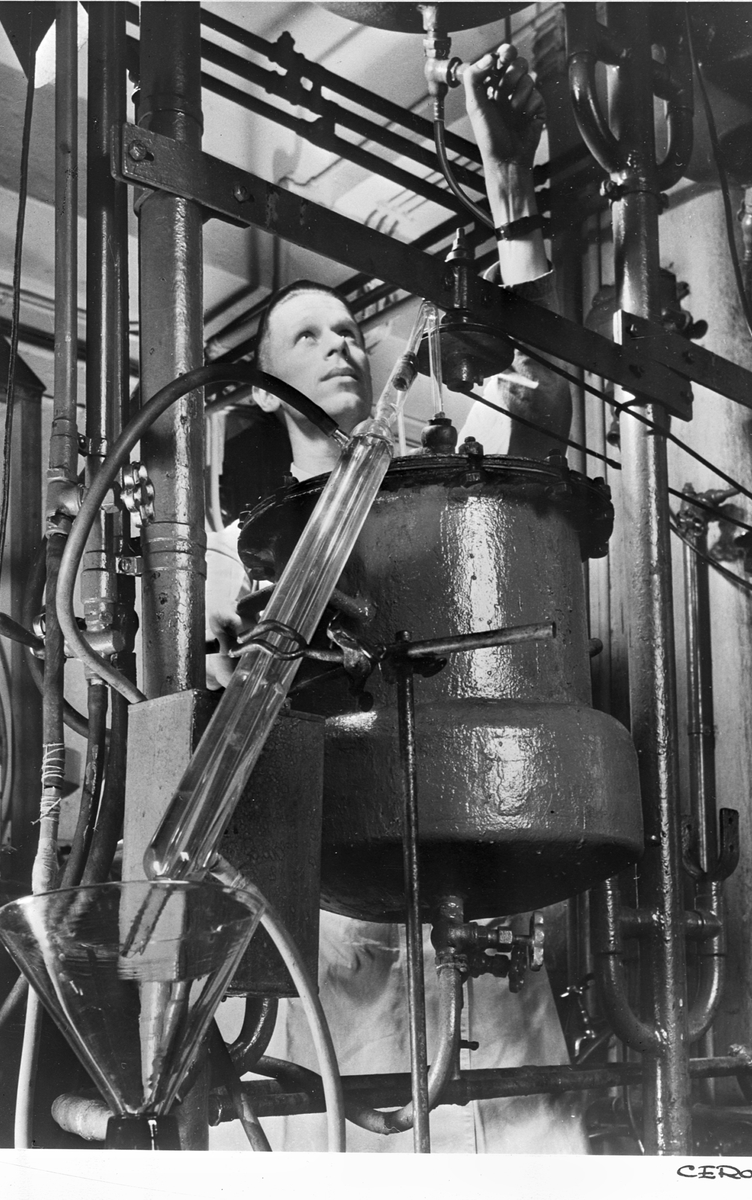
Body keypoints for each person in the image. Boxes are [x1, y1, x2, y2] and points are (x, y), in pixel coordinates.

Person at [209, 45, 588, 1153]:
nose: (340, 345)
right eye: (308, 335)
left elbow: (532, 403)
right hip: (330, 910)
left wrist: (513, 200)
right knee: (336, 1132)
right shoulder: (235, 552)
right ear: (261, 385)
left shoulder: (433, 486)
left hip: (469, 860)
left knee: (519, 1137)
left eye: (346, 331)